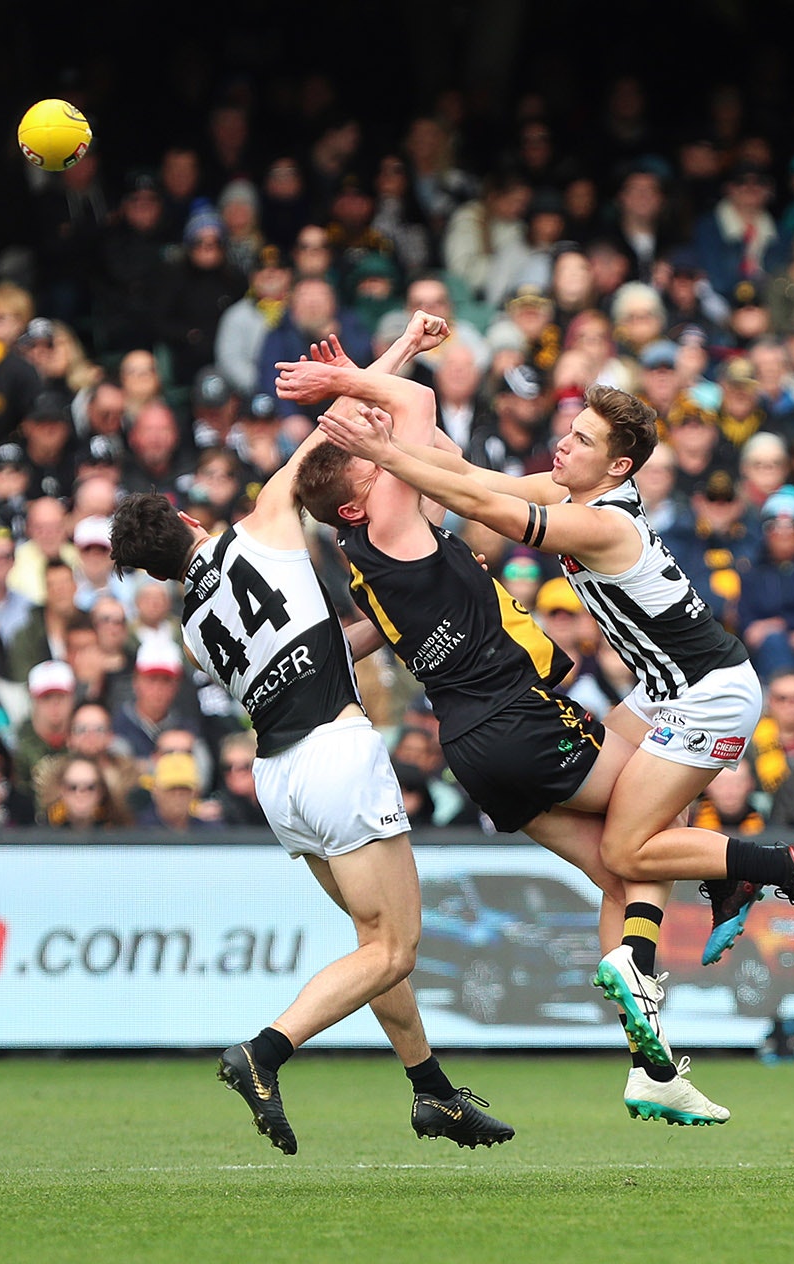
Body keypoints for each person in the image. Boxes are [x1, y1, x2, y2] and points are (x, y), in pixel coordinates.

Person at [287, 322, 794, 1125]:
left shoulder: (598, 520)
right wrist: (375, 394)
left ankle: (735, 918)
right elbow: (460, 469)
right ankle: (727, 929)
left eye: (579, 439)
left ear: (617, 466)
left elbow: (468, 488)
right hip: (624, 696)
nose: (560, 448)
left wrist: (375, 411)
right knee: (632, 852)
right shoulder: (538, 499)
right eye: (567, 433)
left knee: (629, 849)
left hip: (696, 693)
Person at [107, 376, 513, 1156]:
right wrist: (392, 359)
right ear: (189, 517)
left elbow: (317, 643)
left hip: (279, 780)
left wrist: (394, 625)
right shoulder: (260, 523)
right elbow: (331, 438)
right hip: (336, 751)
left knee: (372, 944)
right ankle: (264, 1052)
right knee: (395, 949)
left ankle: (432, 1091)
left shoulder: (194, 628)